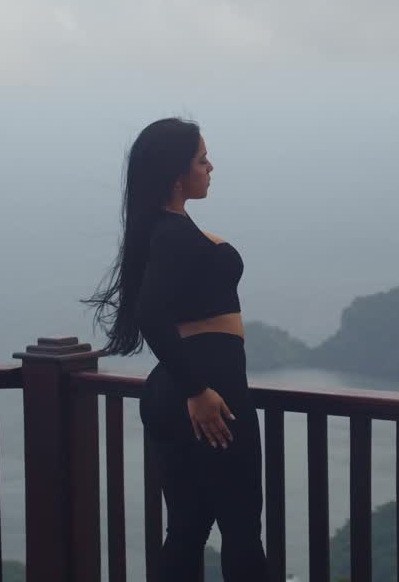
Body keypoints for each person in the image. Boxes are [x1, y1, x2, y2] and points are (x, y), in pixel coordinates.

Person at [83, 117, 269, 581]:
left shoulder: (161, 230)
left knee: (186, 530)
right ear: (176, 173)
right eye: (202, 160)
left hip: (177, 392)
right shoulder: (169, 234)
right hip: (212, 395)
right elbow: (149, 314)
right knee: (242, 529)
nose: (211, 168)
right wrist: (199, 391)